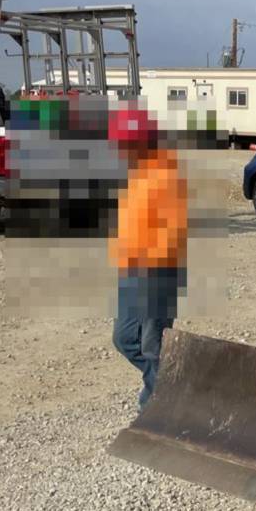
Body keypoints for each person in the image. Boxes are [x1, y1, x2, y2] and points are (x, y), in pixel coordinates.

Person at [108, 107, 187, 407]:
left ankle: (155, 403)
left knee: (153, 346)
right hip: (130, 272)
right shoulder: (132, 172)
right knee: (125, 339)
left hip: (158, 273)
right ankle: (171, 382)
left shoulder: (166, 174)